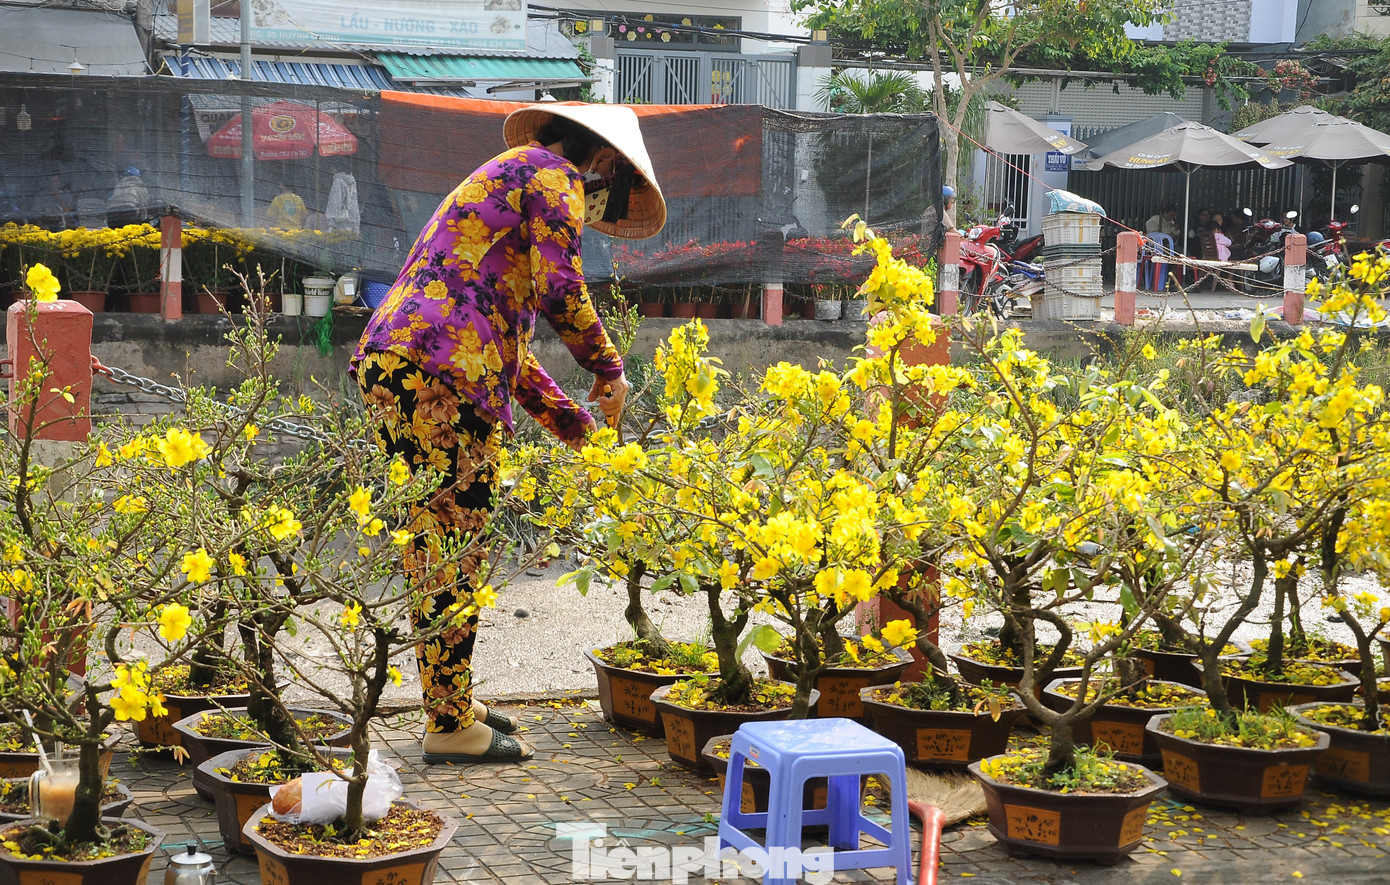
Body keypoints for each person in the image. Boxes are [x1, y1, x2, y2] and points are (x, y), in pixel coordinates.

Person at [351, 104, 664, 764]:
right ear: (605, 162)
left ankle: (453, 702)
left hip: (405, 364)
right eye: (610, 180)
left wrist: (585, 432)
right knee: (450, 547)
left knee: (441, 538)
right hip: (438, 375)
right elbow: (564, 289)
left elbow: (513, 359)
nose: (599, 198)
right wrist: (610, 367)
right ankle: (447, 722)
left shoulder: (509, 180)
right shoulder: (555, 175)